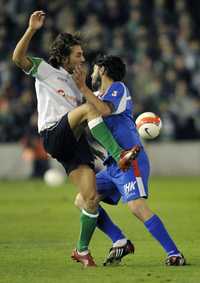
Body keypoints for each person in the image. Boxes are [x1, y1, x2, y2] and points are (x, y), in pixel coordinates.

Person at [12, 11, 140, 267]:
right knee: (88, 108)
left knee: (90, 198)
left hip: (74, 143)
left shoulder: (75, 82)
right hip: (53, 134)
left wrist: (84, 90)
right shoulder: (46, 70)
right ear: (64, 56)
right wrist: (32, 29)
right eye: (78, 55)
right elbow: (18, 59)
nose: (83, 58)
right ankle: (119, 154)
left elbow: (91, 116)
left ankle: (82, 250)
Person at [73, 54, 186, 266]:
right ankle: (119, 240)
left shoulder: (118, 88)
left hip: (130, 157)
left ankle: (174, 253)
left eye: (95, 69)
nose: (92, 73)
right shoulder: (94, 95)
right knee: (83, 199)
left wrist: (82, 89)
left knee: (136, 206)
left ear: (104, 70)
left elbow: (104, 110)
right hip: (111, 164)